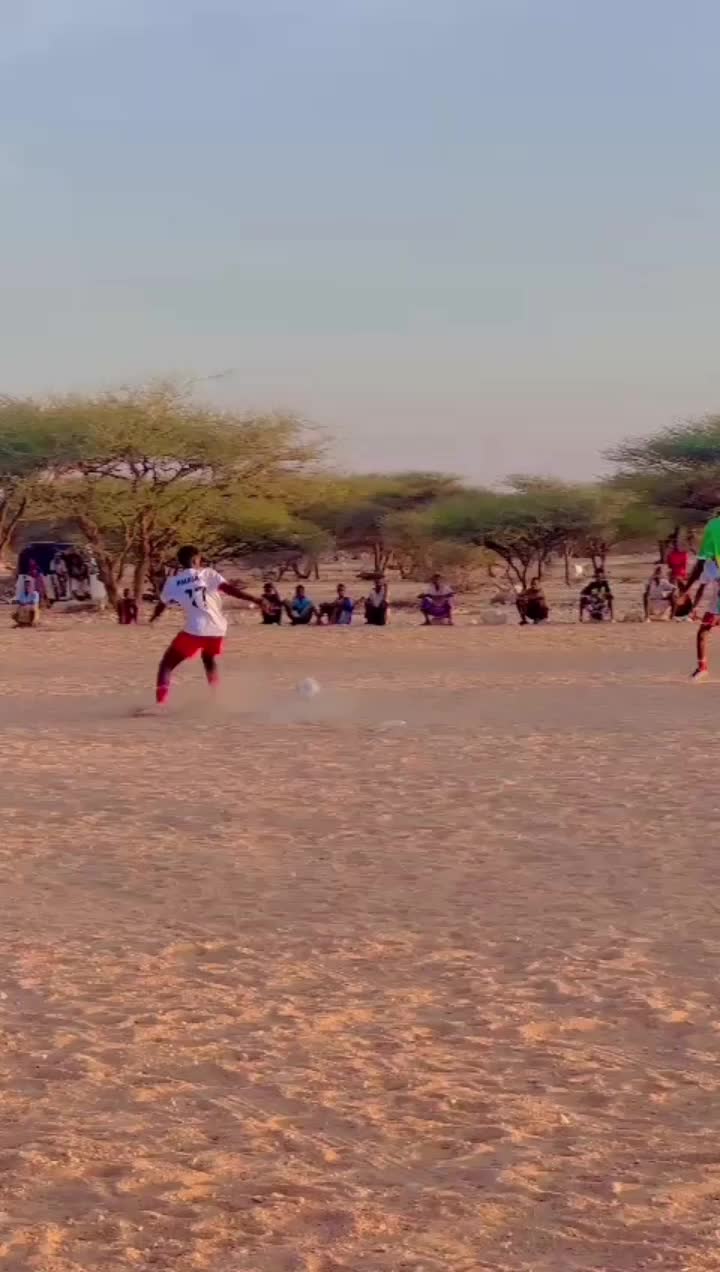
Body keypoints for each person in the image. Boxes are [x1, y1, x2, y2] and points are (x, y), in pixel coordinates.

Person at [145, 545, 259, 708]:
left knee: (166, 665)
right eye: (200, 558)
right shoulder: (208, 574)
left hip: (195, 631)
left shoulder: (173, 582)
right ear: (195, 560)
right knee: (208, 658)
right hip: (218, 630)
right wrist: (257, 600)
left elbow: (162, 604)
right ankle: (216, 696)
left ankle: (161, 703)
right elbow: (231, 590)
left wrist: (154, 618)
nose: (201, 561)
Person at [687, 558, 720, 680]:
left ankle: (702, 668)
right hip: (714, 607)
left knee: (702, 633)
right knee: (702, 633)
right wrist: (694, 607)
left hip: (716, 608)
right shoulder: (709, 565)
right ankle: (702, 667)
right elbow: (701, 588)